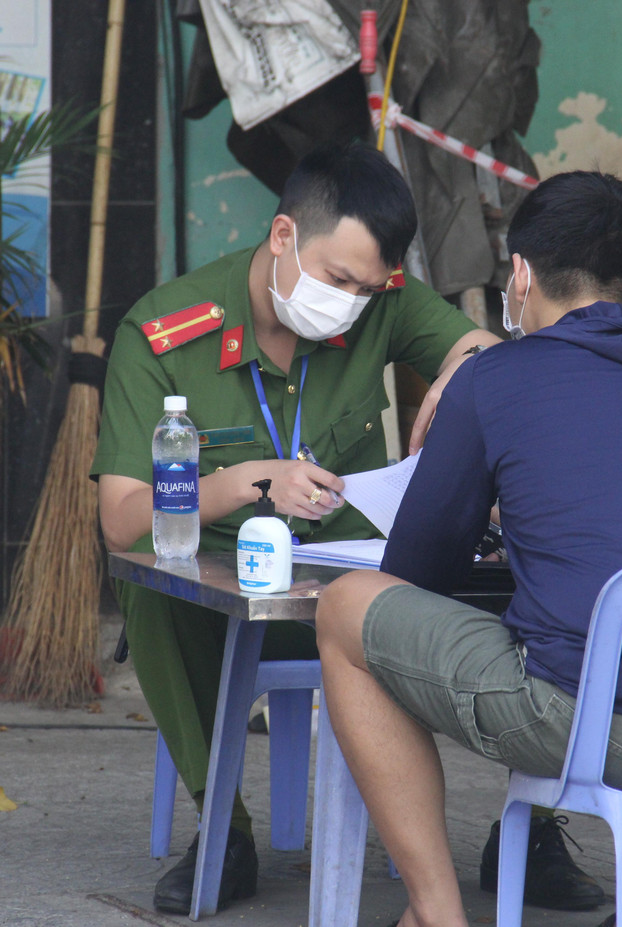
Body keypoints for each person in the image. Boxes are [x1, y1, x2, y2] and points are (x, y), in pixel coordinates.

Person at [314, 170, 622, 927]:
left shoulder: (495, 379)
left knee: (347, 612)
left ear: (521, 273)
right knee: (577, 630)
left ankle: (436, 915)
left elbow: (415, 572)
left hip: (603, 727)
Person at [92, 142, 511, 915]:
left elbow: (485, 352)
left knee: (542, 586)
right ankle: (227, 830)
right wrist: (248, 481)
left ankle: (536, 831)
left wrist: (463, 371)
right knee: (150, 592)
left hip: (356, 593)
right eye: (338, 279)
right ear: (283, 235)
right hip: (224, 601)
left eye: (367, 287)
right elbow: (121, 520)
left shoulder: (382, 301)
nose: (350, 302)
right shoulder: (162, 332)